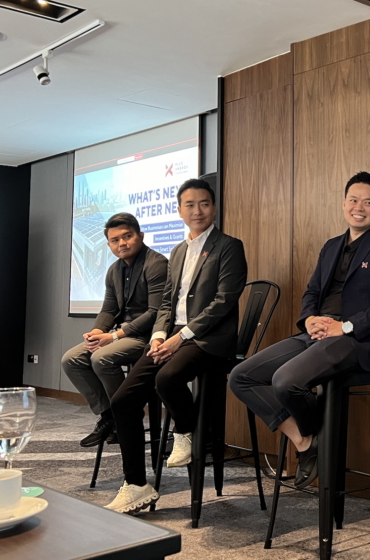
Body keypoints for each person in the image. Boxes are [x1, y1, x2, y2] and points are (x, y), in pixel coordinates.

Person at [229, 172, 370, 488]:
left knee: (286, 381)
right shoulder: (331, 246)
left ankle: (316, 440)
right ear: (343, 203)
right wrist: (309, 319)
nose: (359, 208)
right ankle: (306, 441)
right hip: (315, 334)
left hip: (355, 340)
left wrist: (345, 326)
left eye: (368, 203)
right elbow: (311, 292)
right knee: (241, 376)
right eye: (353, 200)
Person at [104, 178, 247, 514]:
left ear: (214, 207)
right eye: (190, 205)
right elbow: (167, 301)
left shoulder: (229, 246)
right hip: (172, 335)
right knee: (123, 401)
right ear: (179, 210)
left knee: (166, 378)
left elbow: (224, 301)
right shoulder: (178, 250)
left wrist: (180, 337)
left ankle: (187, 431)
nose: (197, 211)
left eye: (204, 204)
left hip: (209, 338)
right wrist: (158, 336)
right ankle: (136, 485)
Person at [61, 213, 168, 448]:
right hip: (120, 335)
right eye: (115, 240)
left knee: (102, 358)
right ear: (108, 244)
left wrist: (113, 336)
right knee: (71, 359)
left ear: (140, 236)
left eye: (127, 237)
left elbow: (156, 312)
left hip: (148, 336)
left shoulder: (156, 264)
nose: (122, 243)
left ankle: (126, 414)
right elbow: (108, 309)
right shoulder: (113, 270)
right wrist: (96, 334)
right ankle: (110, 415)